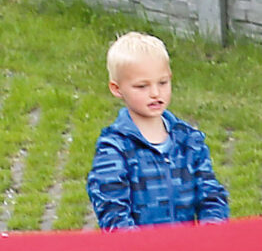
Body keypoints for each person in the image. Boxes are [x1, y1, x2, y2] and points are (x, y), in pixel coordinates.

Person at [86, 32, 231, 230]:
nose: (155, 93)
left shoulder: (189, 140)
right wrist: (143, 246)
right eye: (142, 86)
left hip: (189, 246)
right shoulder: (114, 149)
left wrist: (210, 233)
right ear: (117, 89)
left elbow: (212, 196)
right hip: (140, 249)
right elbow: (113, 213)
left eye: (162, 83)